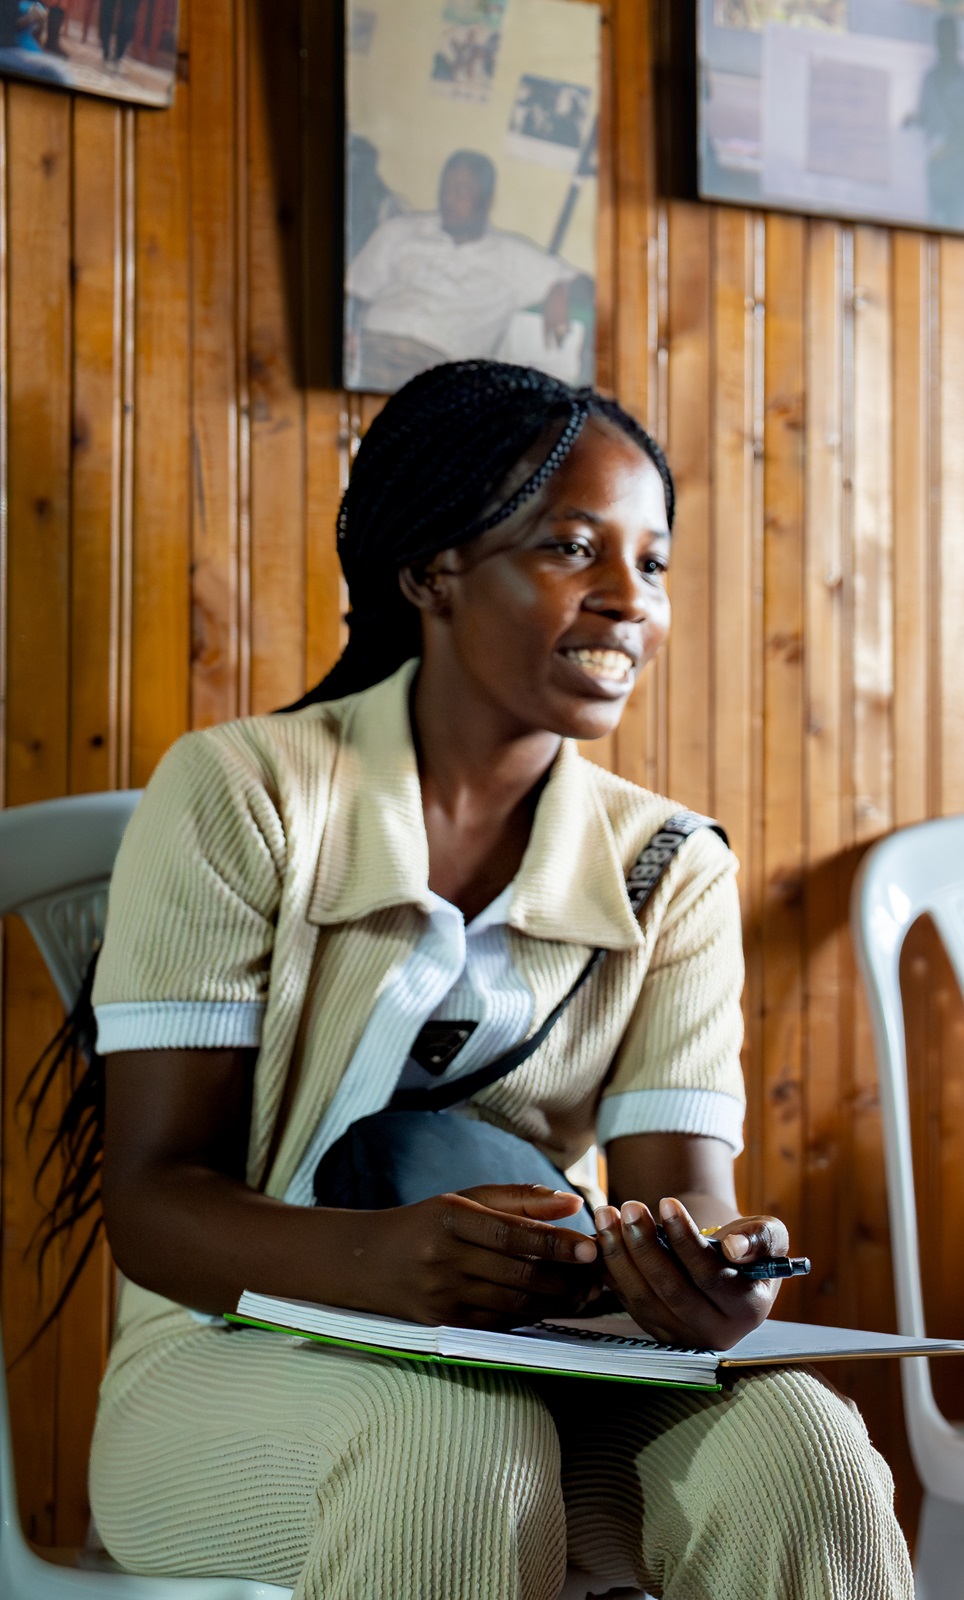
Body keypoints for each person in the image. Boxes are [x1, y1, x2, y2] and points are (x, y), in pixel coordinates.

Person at [66, 361, 912, 1599]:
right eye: (575, 548)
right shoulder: (244, 792)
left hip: (545, 1370)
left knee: (807, 1449)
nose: (629, 600)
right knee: (452, 1443)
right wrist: (378, 1263)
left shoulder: (668, 867)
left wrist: (715, 1282)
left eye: (654, 563)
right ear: (432, 573)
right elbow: (150, 1205)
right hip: (228, 1361)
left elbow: (687, 1194)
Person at [345, 149, 590, 392]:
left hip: (440, 374)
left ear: (487, 199)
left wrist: (561, 288)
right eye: (446, 188)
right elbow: (353, 290)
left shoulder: (512, 257)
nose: (449, 198)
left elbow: (588, 286)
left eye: (462, 190)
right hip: (369, 350)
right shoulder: (399, 231)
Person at [904, 14, 964, 232]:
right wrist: (912, 121)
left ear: (956, 41)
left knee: (963, 227)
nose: (945, 43)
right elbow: (926, 116)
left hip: (962, 169)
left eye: (949, 37)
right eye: (941, 38)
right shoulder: (929, 80)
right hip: (937, 168)